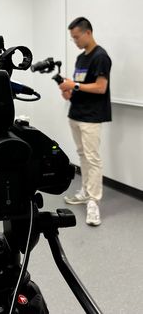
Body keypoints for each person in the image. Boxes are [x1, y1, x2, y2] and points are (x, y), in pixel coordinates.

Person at [59, 17, 112, 227]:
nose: (75, 41)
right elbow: (78, 87)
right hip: (76, 114)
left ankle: (93, 202)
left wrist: (75, 86)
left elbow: (100, 87)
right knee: (82, 155)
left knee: (93, 158)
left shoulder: (101, 57)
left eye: (77, 37)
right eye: (72, 39)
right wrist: (68, 90)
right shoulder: (81, 58)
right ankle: (85, 192)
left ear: (88, 32)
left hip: (92, 117)